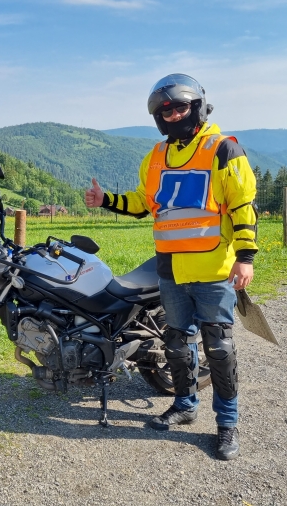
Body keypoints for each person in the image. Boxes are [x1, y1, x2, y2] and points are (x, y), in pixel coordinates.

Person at [84, 73, 258, 461]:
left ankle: (227, 423)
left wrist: (245, 258)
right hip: (171, 269)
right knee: (177, 343)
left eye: (181, 107)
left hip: (214, 269)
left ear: (197, 107)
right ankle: (184, 405)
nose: (175, 115)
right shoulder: (157, 156)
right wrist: (106, 199)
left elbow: (243, 207)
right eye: (166, 111)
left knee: (219, 348)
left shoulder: (223, 149)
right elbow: (144, 202)